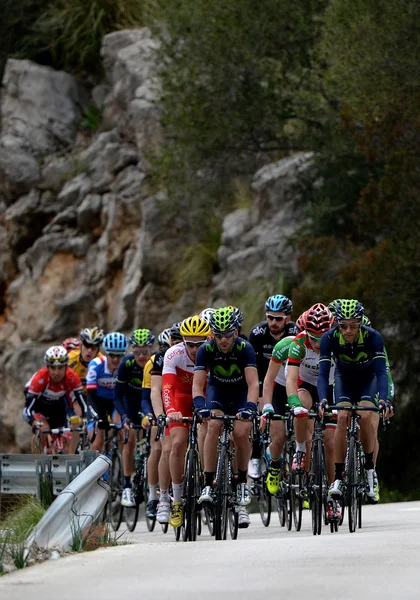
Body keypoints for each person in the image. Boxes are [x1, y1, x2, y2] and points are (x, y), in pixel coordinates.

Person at [317, 299, 393, 501]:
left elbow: (382, 373)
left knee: (367, 416)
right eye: (343, 326)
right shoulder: (329, 338)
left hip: (369, 379)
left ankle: (369, 470)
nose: (348, 330)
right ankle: (338, 477)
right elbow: (323, 375)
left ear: (360, 323)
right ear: (337, 324)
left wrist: (384, 400)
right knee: (341, 417)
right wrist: (323, 399)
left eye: (353, 325)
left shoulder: (373, 337)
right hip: (344, 379)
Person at [193, 306, 259, 528]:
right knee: (213, 425)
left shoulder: (245, 348)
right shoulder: (205, 349)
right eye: (218, 335)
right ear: (212, 334)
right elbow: (198, 384)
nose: (223, 340)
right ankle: (208, 482)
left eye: (227, 335)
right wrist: (199, 406)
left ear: (236, 333)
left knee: (241, 433)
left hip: (240, 394)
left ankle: (241, 482)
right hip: (217, 392)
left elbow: (252, 383)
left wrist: (250, 406)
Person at [285, 304, 336, 516]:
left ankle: (334, 493)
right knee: (301, 409)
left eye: (321, 337)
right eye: (312, 338)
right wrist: (294, 403)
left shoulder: (337, 342)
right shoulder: (298, 344)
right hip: (305, 386)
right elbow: (290, 379)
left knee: (331, 442)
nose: (316, 343)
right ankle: (300, 450)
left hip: (332, 388)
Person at [162, 316, 211, 528]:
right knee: (178, 443)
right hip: (180, 398)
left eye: (199, 344)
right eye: (190, 344)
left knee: (211, 431)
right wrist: (171, 410)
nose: (194, 349)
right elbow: (167, 388)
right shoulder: (173, 354)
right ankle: (178, 500)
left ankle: (210, 478)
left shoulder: (212, 353)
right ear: (182, 341)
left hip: (206, 395)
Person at [247, 294, 297, 478]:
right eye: (270, 317)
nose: (273, 322)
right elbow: (250, 365)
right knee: (262, 417)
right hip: (263, 380)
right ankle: (255, 456)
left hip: (287, 381)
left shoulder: (295, 332)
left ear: (288, 318)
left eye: (279, 318)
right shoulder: (258, 333)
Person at [114, 329, 156, 509]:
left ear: (151, 349)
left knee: (155, 438)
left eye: (145, 351)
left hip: (150, 404)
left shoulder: (156, 363)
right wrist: (124, 417)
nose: (141, 356)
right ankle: (127, 486)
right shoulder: (126, 364)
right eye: (137, 352)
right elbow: (117, 395)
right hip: (130, 404)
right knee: (129, 437)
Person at [148, 323, 183, 525]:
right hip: (170, 403)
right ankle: (162, 498)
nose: (179, 345)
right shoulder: (162, 357)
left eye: (182, 341)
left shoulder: (197, 352)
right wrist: (161, 415)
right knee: (167, 448)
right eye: (175, 341)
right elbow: (156, 391)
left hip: (189, 402)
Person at [23, 346, 86, 453]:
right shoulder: (40, 378)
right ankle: (41, 458)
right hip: (39, 408)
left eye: (60, 367)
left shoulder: (72, 377)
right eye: (53, 368)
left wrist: (84, 418)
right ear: (47, 367)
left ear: (66, 366)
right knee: (43, 429)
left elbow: (82, 403)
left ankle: (68, 459)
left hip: (59, 408)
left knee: (69, 437)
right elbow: (28, 409)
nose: (56, 372)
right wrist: (34, 423)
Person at [86, 332, 128, 453]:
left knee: (124, 431)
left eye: (119, 355)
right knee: (97, 444)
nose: (115, 359)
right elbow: (91, 395)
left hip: (115, 402)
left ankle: (120, 465)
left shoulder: (125, 366)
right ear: (105, 353)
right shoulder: (96, 365)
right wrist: (99, 417)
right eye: (112, 355)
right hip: (97, 402)